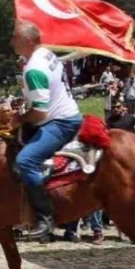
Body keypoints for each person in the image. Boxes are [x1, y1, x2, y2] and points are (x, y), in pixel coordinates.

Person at [10, 21, 82, 240]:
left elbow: (39, 114)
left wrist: (18, 119)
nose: (11, 42)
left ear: (28, 41)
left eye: (15, 38)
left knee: (25, 161)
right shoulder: (46, 54)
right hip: (60, 114)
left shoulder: (34, 69)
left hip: (60, 123)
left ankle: (46, 217)